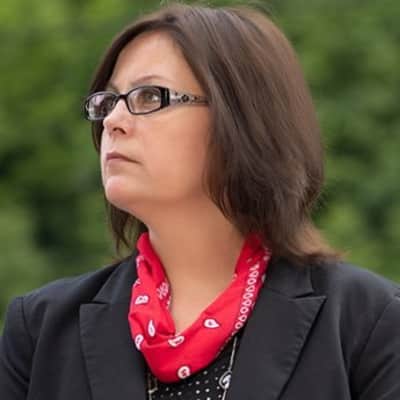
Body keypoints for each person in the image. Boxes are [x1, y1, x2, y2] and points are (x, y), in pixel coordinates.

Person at [1, 2, 399, 399]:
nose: (113, 121)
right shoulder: (40, 332)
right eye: (109, 101)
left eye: (149, 96)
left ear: (241, 118)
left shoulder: (368, 325)